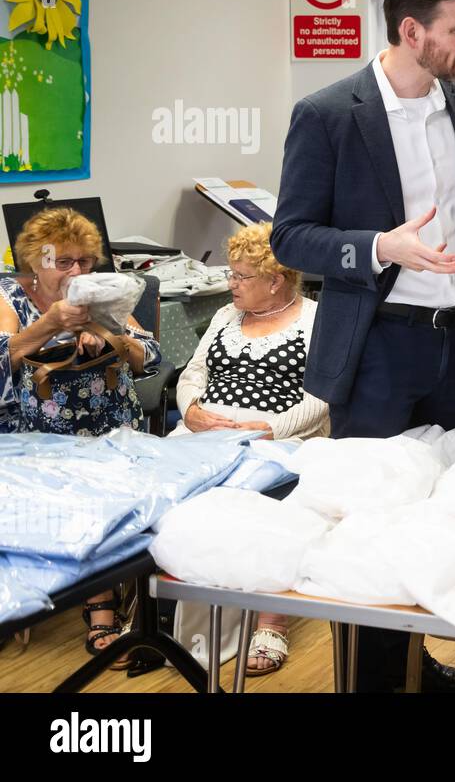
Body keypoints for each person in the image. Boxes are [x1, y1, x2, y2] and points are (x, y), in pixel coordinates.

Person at [271, 0, 455, 693]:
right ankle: (370, 677)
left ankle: (417, 659)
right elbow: (290, 236)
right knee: (372, 523)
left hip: (453, 346)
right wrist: (374, 247)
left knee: (440, 517)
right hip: (376, 350)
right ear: (411, 30)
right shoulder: (329, 115)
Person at [0, 207, 161, 659]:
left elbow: (147, 357)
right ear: (36, 261)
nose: (77, 271)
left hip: (111, 421)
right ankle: (79, 592)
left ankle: (103, 604)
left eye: (86, 261)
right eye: (63, 262)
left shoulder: (103, 293)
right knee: (74, 494)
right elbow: (2, 358)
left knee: (106, 493)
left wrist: (106, 332)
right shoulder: (10, 297)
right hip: (39, 430)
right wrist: (51, 324)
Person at [169, 221, 328, 676]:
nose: (230, 284)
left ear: (276, 280)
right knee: (168, 493)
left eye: (241, 276)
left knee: (252, 506)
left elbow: (323, 396)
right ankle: (157, 615)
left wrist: (271, 429)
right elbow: (194, 374)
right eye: (231, 274)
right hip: (205, 429)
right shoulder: (225, 316)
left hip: (279, 436)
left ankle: (269, 621)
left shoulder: (315, 318)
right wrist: (191, 411)